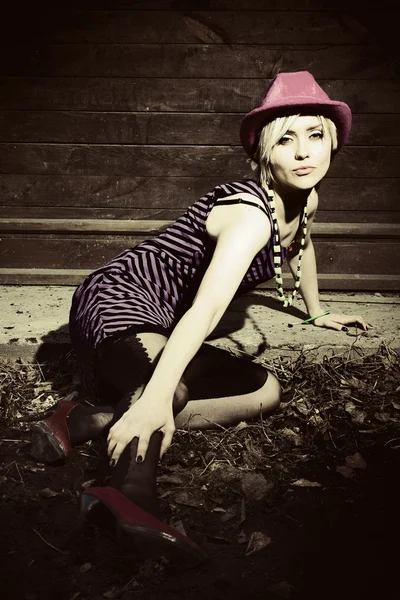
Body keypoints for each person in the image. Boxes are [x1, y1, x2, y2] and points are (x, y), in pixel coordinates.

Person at [31, 71, 368, 560]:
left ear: (332, 141)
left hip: (160, 321)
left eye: (315, 136)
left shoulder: (305, 197)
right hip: (116, 297)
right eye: (286, 139)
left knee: (264, 391)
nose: (303, 153)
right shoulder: (251, 213)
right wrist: (157, 396)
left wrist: (317, 313)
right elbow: (207, 309)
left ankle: (88, 415)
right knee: (166, 388)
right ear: (262, 153)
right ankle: (127, 497)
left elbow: (303, 243)